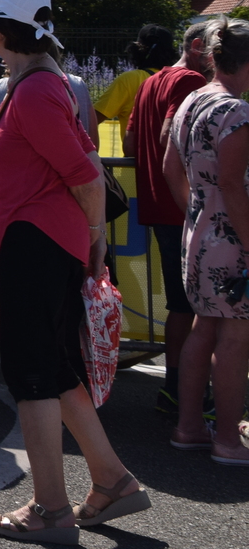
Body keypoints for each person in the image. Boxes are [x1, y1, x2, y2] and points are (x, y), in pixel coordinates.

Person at [0, 0, 150, 540]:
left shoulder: (35, 89)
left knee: (32, 376)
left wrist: (95, 241)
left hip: (38, 244)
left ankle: (50, 510)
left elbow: (86, 176)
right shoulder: (39, 81)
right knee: (57, 369)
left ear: (5, 30)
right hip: (46, 241)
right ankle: (112, 481)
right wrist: (91, 242)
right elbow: (86, 164)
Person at [166, 18, 249, 464]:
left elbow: (170, 169)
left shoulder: (193, 100)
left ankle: (189, 427)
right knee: (235, 339)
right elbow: (234, 185)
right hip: (232, 239)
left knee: (203, 329)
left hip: (198, 234)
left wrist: (199, 214)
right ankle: (227, 440)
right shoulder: (236, 112)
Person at [128, 21, 211, 414]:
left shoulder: (149, 82)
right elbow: (170, 134)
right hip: (184, 209)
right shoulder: (190, 80)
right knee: (202, 310)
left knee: (181, 306)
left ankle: (176, 389)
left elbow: (130, 143)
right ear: (196, 47)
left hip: (161, 208)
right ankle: (189, 394)